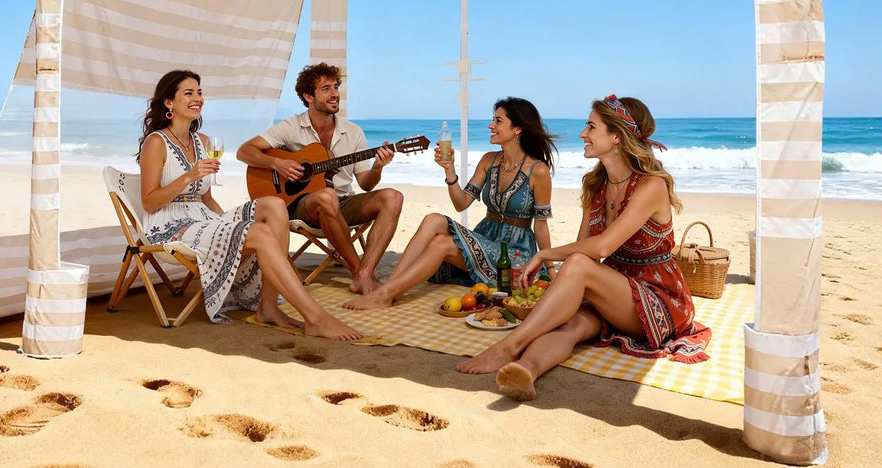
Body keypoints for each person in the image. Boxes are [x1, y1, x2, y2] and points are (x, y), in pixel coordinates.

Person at [457, 95, 711, 399]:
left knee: (578, 265)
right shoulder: (596, 185)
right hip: (614, 290)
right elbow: (582, 248)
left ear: (616, 136)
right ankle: (526, 369)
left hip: (658, 298)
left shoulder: (651, 186)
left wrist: (544, 255)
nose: (582, 134)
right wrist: (561, 292)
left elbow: (601, 248)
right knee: (569, 325)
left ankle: (507, 347)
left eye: (591, 127)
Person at [138, 69, 362, 341]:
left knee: (274, 205)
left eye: (199, 92)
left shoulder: (203, 142)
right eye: (188, 93)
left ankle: (268, 306)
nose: (197, 98)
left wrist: (227, 223)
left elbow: (206, 198)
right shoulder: (156, 142)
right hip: (172, 226)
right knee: (259, 232)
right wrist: (189, 176)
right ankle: (315, 318)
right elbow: (149, 202)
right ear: (169, 103)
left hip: (203, 218)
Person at [342, 97, 556, 311]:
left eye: (498, 121)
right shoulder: (489, 160)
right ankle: (387, 289)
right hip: (486, 236)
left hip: (514, 252)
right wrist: (449, 170)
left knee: (441, 243)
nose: (491, 125)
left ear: (517, 129)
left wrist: (550, 269)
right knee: (433, 219)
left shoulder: (538, 170)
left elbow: (540, 226)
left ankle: (385, 294)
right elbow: (461, 203)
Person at [236, 63, 403, 295]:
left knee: (393, 197)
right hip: (303, 206)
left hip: (343, 202)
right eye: (326, 89)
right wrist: (277, 163)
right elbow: (244, 151)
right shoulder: (291, 127)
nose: (335, 94)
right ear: (309, 96)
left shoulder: (353, 132)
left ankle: (365, 274)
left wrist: (377, 167)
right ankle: (358, 271)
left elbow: (366, 184)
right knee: (325, 196)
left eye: (335, 87)